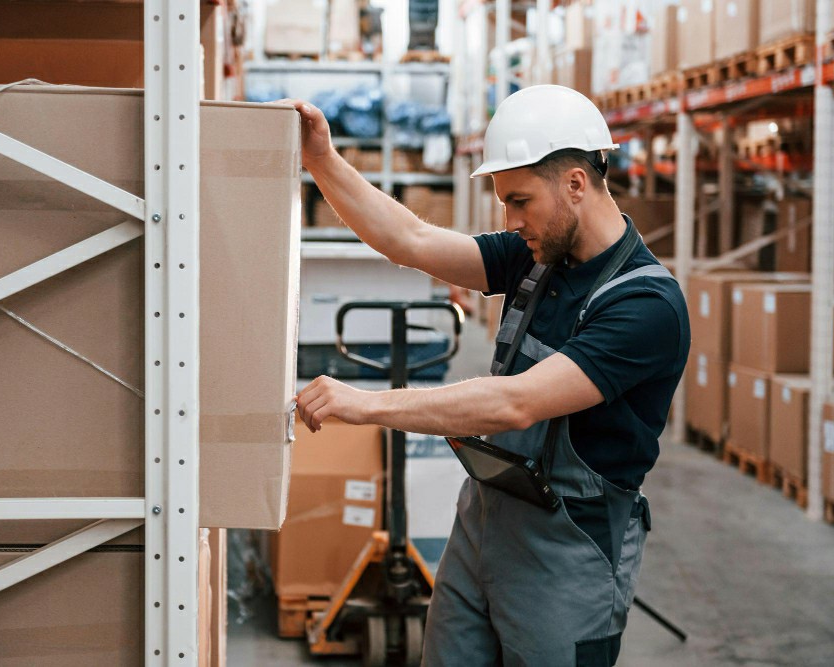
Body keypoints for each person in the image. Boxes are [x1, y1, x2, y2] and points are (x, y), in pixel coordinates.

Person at [288, 84, 689, 667]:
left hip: (567, 551)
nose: (511, 219)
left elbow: (514, 405)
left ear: (576, 183)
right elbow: (411, 240)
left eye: (520, 200)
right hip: (483, 524)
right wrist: (320, 159)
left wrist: (368, 405)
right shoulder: (537, 256)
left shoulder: (646, 307)